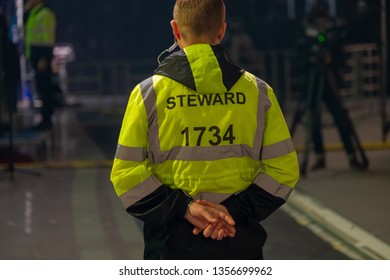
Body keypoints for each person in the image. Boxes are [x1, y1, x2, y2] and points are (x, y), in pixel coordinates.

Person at [110, 0, 299, 260]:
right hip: (238, 238)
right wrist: (230, 213)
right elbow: (284, 171)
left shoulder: (148, 94)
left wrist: (187, 210)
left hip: (170, 243)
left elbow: (126, 175)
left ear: (176, 30)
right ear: (221, 31)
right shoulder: (259, 92)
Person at [292, 2, 368, 172]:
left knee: (341, 118)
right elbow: (297, 58)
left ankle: (351, 155)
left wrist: (330, 59)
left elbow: (341, 55)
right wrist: (311, 59)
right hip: (312, 80)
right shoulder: (305, 31)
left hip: (329, 80)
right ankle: (319, 157)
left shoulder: (331, 31)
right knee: (313, 119)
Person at [24, 0, 56, 130]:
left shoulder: (46, 13)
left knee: (45, 89)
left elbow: (48, 37)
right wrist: (26, 9)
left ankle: (47, 120)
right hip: (34, 53)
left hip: (42, 55)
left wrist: (44, 58)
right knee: (41, 89)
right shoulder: (33, 13)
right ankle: (44, 119)